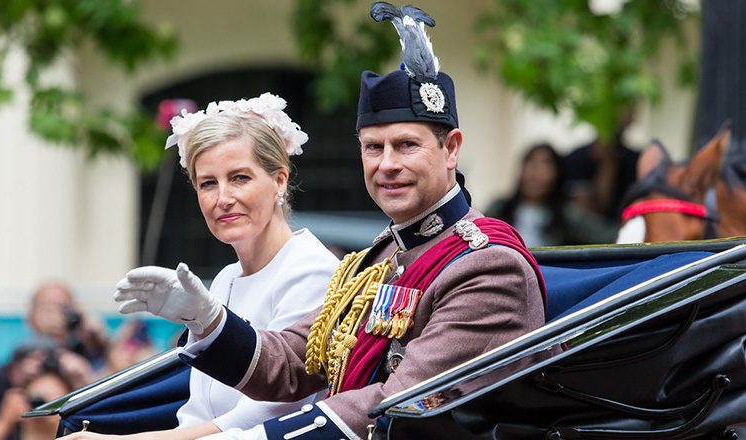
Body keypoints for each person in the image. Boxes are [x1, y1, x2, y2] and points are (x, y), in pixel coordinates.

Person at [61, 3, 546, 439]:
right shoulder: (382, 257)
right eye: (373, 148)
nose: (387, 164)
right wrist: (208, 320)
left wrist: (255, 438)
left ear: (451, 149)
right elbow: (296, 364)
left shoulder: (485, 267)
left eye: (406, 145)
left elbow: (398, 405)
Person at [64, 93, 340, 439]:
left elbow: (265, 415)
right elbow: (197, 410)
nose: (223, 198)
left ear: (279, 181)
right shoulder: (226, 278)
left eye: (240, 178)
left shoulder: (312, 270)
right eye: (208, 183)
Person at [486, 143, 616, 246]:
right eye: (531, 162)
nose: (535, 172)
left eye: (545, 164)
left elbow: (608, 236)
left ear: (557, 174)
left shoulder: (567, 215)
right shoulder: (500, 209)